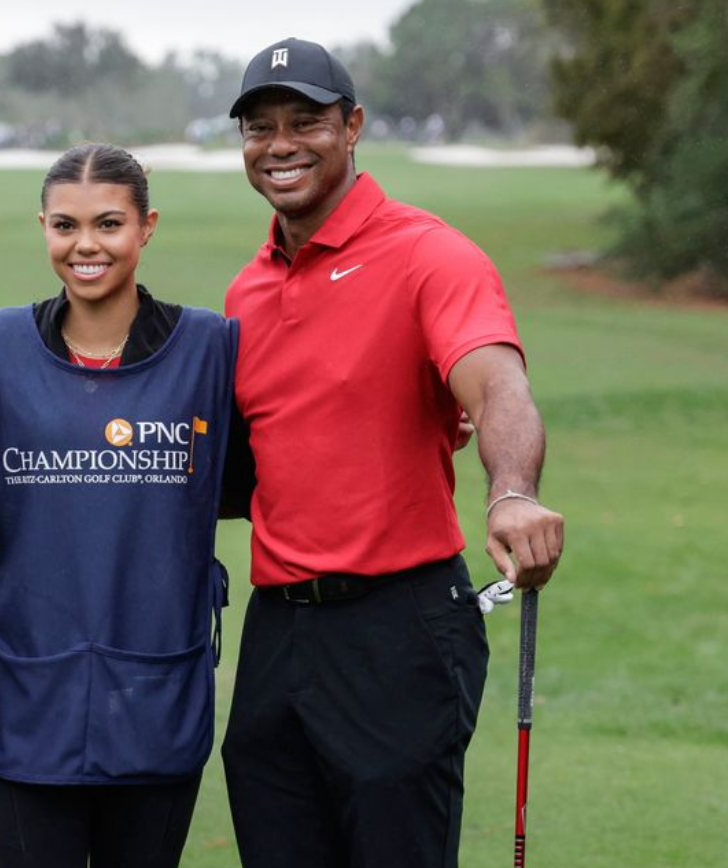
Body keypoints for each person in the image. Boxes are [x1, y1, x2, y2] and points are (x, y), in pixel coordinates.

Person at [218, 37, 566, 868]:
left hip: (399, 627)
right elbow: (245, 465)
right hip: (277, 635)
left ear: (353, 126)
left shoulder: (429, 255)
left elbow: (497, 385)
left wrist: (511, 491)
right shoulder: (247, 291)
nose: (281, 144)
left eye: (306, 121)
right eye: (260, 127)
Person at [0, 143, 238, 868]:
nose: (85, 245)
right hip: (27, 695)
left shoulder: (210, 347)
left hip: (158, 694)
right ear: (43, 228)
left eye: (109, 224)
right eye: (65, 226)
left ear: (147, 228)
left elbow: (270, 469)